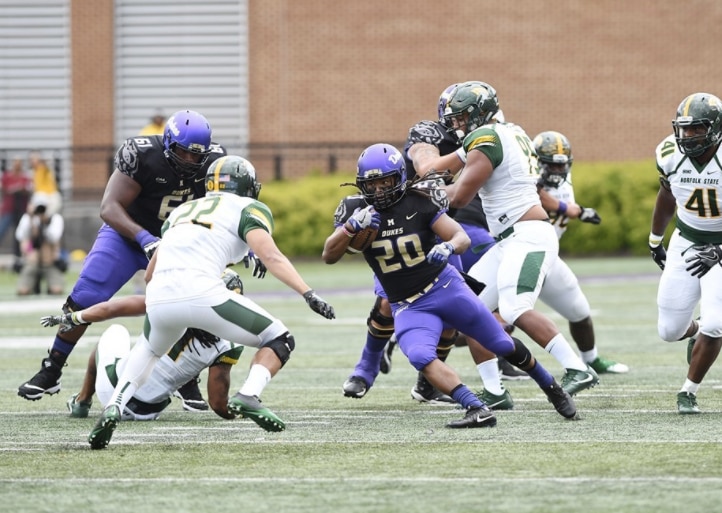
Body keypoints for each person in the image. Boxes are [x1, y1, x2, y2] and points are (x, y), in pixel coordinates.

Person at [87, 155, 335, 449]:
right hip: (203, 291)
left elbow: (151, 273)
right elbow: (271, 256)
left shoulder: (183, 210)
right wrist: (307, 293)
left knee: (148, 350)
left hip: (160, 293)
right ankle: (249, 395)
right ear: (247, 186)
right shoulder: (248, 207)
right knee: (280, 339)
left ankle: (114, 405)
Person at [323, 143, 577, 429]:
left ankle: (552, 387)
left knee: (501, 343)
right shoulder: (356, 209)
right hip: (407, 303)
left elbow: (460, 237)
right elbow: (329, 255)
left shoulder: (418, 200)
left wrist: (448, 247)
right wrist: (349, 229)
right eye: (372, 184)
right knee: (419, 356)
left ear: (400, 178)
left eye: (385, 182)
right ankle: (476, 407)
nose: (379, 190)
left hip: (445, 288)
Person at [17, 110, 226, 414]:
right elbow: (109, 207)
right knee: (85, 297)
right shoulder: (142, 155)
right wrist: (145, 238)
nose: (190, 160)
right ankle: (52, 369)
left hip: (177, 244)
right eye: (183, 152)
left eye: (197, 155)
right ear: (169, 143)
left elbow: (225, 210)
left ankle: (185, 378)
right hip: (127, 236)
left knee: (188, 303)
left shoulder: (215, 163)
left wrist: (244, 244)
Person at [441, 81, 599, 397]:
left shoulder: (489, 138)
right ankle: (494, 391)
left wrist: (421, 193)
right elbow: (439, 169)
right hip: (507, 239)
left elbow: (457, 197)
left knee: (515, 309)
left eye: (462, 117)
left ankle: (578, 368)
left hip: (527, 236)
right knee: (468, 308)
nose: (457, 124)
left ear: (479, 114)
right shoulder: (507, 132)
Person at [40, 268, 247, 421]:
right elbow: (218, 404)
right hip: (147, 412)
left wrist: (75, 317)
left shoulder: (174, 303)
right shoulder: (231, 342)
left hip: (111, 394)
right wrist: (242, 412)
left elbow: (112, 309)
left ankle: (82, 402)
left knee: (115, 332)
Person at [649, 92, 722, 414]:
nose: (688, 135)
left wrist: (718, 251)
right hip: (687, 239)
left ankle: (688, 390)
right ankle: (698, 331)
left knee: (716, 324)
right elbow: (667, 194)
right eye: (685, 128)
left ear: (715, 128)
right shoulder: (669, 154)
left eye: (697, 128)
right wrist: (655, 239)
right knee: (669, 331)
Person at [533, 130, 629, 374]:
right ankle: (498, 365)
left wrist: (580, 211)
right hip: (522, 256)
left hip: (548, 258)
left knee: (579, 311)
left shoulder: (565, 180)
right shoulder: (525, 178)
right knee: (498, 317)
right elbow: (534, 195)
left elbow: (562, 206)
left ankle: (591, 359)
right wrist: (568, 209)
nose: (557, 170)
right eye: (551, 165)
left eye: (561, 165)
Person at [15, 197, 66, 295]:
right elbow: (21, 238)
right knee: (23, 291)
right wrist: (31, 220)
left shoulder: (55, 218)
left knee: (57, 290)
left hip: (49, 262)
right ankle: (32, 283)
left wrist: (44, 223)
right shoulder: (27, 218)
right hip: (32, 261)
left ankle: (51, 284)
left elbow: (54, 237)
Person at [0, 157, 32, 266]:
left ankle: (18, 259)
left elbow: (28, 189)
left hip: (21, 210)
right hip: (8, 209)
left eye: (19, 163)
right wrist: (14, 189)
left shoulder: (24, 177)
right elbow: (3, 188)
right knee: (1, 230)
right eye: (15, 163)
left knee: (19, 235)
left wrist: (20, 189)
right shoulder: (7, 176)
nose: (17, 165)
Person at [28, 151, 62, 217]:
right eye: (31, 160)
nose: (32, 161)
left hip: (50, 195)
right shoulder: (32, 172)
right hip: (41, 196)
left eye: (33, 159)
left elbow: (46, 163)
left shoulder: (43, 168)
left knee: (51, 214)